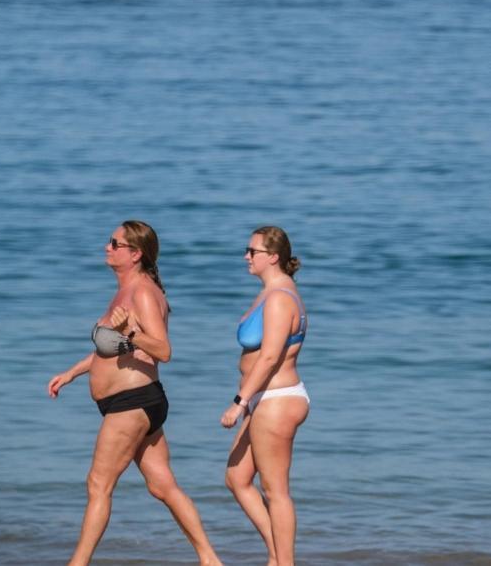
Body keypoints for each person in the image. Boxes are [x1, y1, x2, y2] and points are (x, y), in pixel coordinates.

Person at [48, 220, 221, 566]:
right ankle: (210, 560)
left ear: (135, 253)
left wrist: (130, 333)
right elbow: (110, 349)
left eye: (115, 243)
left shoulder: (142, 292)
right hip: (139, 401)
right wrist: (71, 373)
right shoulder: (127, 290)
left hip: (132, 403)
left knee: (98, 484)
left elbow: (163, 350)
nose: (107, 247)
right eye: (109, 241)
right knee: (162, 486)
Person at [221, 226, 310, 566]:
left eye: (252, 251)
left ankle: (284, 562)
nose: (246, 256)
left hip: (277, 399)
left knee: (276, 491)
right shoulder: (271, 292)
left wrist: (239, 401)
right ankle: (276, 554)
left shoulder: (280, 298)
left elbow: (270, 357)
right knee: (237, 478)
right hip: (265, 399)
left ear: (273, 257)